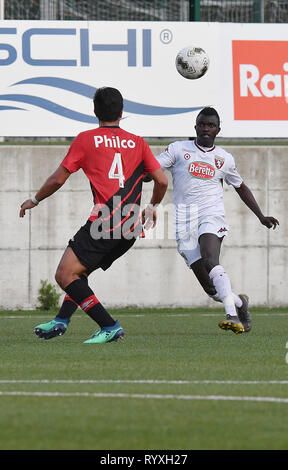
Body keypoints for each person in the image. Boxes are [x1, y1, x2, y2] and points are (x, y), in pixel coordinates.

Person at [20, 87, 168, 343]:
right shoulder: (138, 142)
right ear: (122, 112)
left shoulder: (86, 139)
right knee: (79, 274)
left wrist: (35, 199)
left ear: (94, 112)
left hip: (107, 222)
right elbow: (162, 181)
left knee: (64, 275)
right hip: (131, 227)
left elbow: (58, 179)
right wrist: (152, 206)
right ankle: (61, 320)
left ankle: (109, 326)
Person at [144, 107, 279, 334]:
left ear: (218, 130)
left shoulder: (224, 159)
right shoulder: (178, 149)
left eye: (211, 125)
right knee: (211, 289)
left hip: (211, 216)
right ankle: (239, 303)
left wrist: (260, 216)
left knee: (210, 258)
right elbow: (153, 170)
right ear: (195, 127)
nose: (206, 129)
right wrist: (144, 175)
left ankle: (232, 315)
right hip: (184, 223)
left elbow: (240, 187)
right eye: (202, 124)